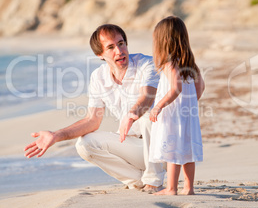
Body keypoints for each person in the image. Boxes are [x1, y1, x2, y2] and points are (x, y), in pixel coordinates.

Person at [24, 24, 165, 191]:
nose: (119, 51)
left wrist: (130, 115)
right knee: (85, 144)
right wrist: (56, 135)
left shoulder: (147, 64)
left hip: (164, 147)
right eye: (111, 47)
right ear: (100, 54)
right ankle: (137, 181)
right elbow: (92, 121)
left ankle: (154, 182)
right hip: (135, 146)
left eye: (121, 44)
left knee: (150, 115)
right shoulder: (98, 77)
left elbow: (146, 98)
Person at [149, 16, 204, 195]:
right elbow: (200, 86)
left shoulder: (169, 62)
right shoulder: (189, 63)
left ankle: (171, 188)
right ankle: (188, 188)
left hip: (173, 113)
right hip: (187, 113)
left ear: (164, 41)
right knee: (187, 149)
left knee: (172, 149)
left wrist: (159, 106)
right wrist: (190, 104)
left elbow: (175, 88)